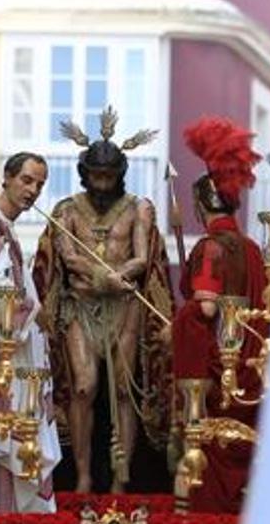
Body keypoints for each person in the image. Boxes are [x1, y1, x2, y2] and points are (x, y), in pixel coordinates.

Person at [33, 107, 175, 493]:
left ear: (119, 175)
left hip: (124, 308)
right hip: (80, 306)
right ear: (84, 173)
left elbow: (143, 257)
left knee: (124, 390)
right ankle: (81, 475)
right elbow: (67, 256)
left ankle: (120, 478)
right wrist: (100, 276)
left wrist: (120, 277)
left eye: (109, 176)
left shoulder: (139, 209)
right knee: (84, 386)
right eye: (96, 175)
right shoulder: (65, 211)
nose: (101, 183)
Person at [171, 116, 268, 513]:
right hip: (251, 376)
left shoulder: (209, 249)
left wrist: (177, 325)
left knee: (201, 470)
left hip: (215, 382)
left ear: (201, 204)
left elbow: (206, 307)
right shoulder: (253, 250)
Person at [0, 151, 62, 512]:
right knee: (1, 436)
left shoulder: (5, 229)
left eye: (39, 184)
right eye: (27, 180)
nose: (33, 190)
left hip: (11, 351)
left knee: (14, 436)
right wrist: (35, 312)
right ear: (6, 177)